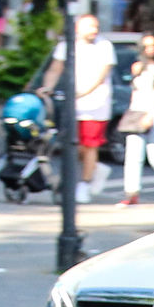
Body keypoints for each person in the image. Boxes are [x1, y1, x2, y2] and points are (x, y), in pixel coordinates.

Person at [38, 13, 116, 201]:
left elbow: (101, 75)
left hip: (96, 104)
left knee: (89, 145)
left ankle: (84, 184)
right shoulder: (66, 46)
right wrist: (48, 86)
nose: (94, 30)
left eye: (96, 26)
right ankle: (96, 168)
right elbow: (56, 69)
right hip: (73, 104)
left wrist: (82, 92)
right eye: (89, 26)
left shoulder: (104, 46)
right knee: (76, 145)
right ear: (77, 29)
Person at [119, 34, 154, 206]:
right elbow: (135, 90)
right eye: (146, 46)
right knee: (133, 154)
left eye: (153, 45)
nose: (150, 50)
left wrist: (151, 114)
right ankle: (131, 193)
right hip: (137, 110)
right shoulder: (137, 67)